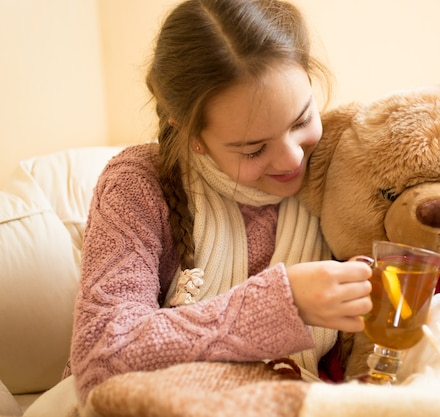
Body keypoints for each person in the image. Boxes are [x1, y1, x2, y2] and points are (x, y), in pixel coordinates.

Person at [68, 0, 373, 403]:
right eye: (253, 149)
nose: (293, 158)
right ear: (192, 134)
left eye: (301, 121)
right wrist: (282, 304)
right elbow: (100, 357)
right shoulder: (139, 183)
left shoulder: (341, 161)